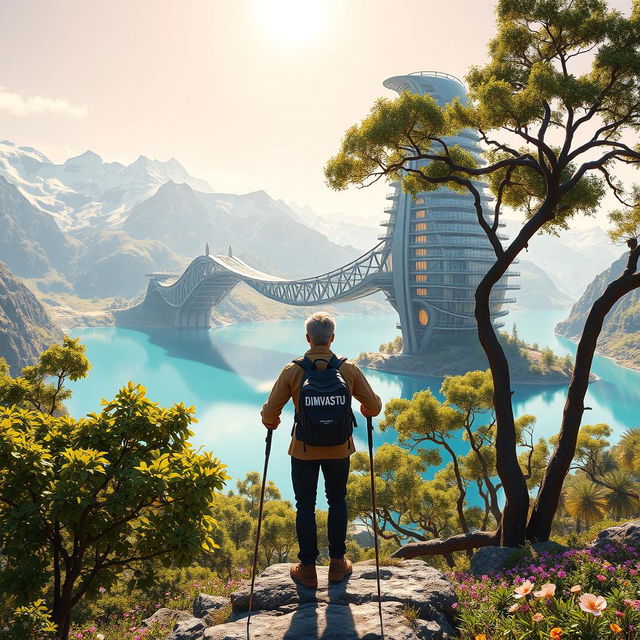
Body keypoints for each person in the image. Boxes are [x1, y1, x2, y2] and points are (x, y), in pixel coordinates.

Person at [261, 312, 382, 588]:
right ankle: (338, 565)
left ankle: (307, 569)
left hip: (303, 450)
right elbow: (373, 407)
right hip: (339, 450)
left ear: (308, 338)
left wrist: (271, 420)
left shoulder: (293, 370)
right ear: (332, 339)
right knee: (337, 500)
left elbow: (270, 413)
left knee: (305, 505)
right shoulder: (347, 369)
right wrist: (364, 407)